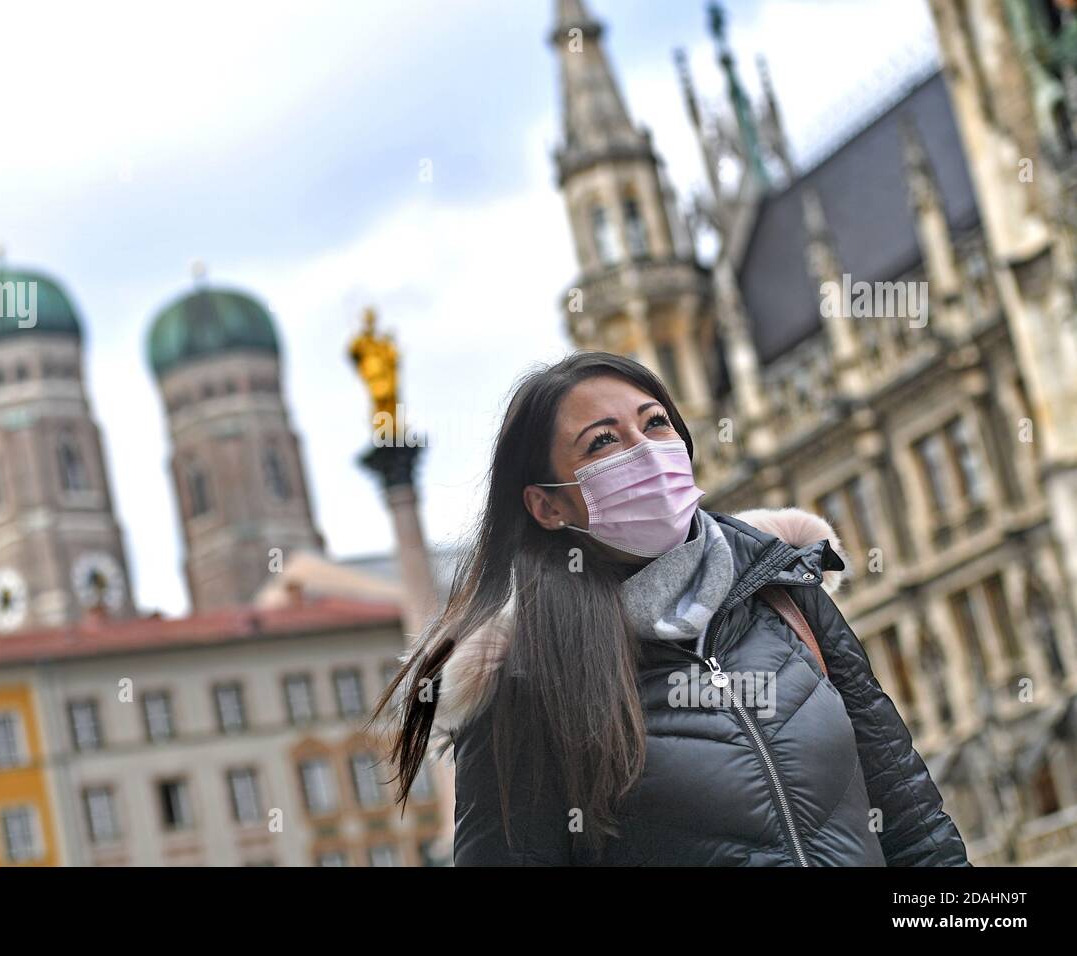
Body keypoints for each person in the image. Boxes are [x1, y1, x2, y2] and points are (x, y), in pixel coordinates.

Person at [372, 350, 970, 866]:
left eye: (655, 423)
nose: (643, 449)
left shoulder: (785, 589)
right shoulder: (523, 683)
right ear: (547, 507)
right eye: (602, 442)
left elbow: (910, 816)